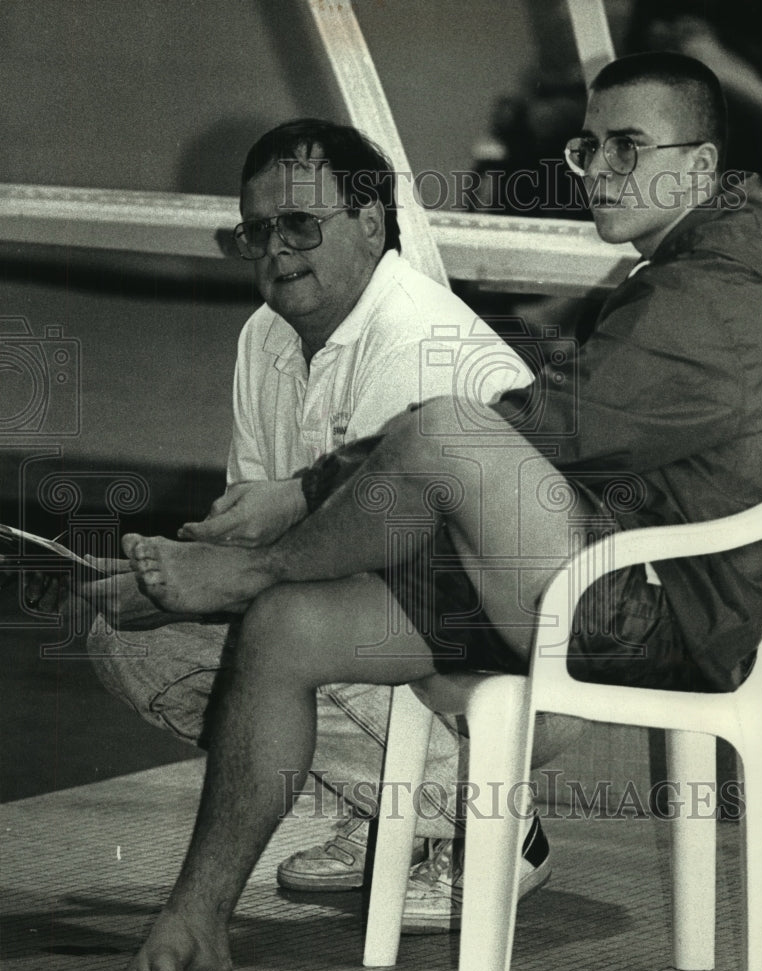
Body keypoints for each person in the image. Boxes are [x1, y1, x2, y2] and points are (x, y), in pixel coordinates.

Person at [116, 52, 762, 971]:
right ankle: (200, 912)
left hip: (658, 617)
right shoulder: (696, 269)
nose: (597, 169)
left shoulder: (724, 294)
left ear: (703, 169)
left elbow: (555, 429)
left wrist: (304, 502)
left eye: (629, 147)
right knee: (288, 632)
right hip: (602, 577)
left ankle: (254, 579)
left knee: (447, 430)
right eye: (590, 145)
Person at [76, 119, 558, 930]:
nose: (277, 250)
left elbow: (374, 566)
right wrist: (168, 577)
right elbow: (259, 531)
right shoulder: (264, 337)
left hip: (496, 651)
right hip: (382, 620)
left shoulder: (418, 340)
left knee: (287, 626)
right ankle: (390, 820)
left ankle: (496, 822)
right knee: (127, 638)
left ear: (372, 220)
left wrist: (214, 585)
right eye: (256, 232)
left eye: (301, 224)